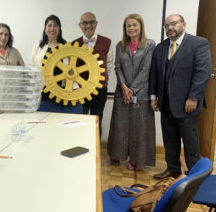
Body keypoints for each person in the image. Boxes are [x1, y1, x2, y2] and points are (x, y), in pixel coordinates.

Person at [150, 14, 211, 179]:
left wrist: (194, 97)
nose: (170, 28)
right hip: (166, 102)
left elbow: (202, 73)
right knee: (170, 139)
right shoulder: (160, 48)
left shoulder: (198, 43)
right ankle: (173, 170)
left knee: (190, 142)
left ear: (183, 24)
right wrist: (154, 97)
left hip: (188, 103)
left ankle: (194, 175)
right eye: (166, 25)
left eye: (173, 24)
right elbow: (154, 74)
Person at [107, 14, 156, 171]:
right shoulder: (120, 45)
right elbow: (117, 67)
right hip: (122, 92)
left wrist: (132, 89)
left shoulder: (149, 45)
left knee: (139, 128)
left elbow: (146, 69)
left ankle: (136, 160)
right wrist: (123, 86)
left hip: (141, 94)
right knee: (119, 125)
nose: (132, 28)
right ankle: (116, 154)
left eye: (135, 25)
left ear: (140, 26)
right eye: (128, 25)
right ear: (125, 28)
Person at [72, 12, 113, 136]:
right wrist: (76, 90)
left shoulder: (107, 42)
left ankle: (96, 153)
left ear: (96, 24)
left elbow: (109, 66)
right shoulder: (74, 44)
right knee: (80, 120)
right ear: (80, 25)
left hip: (100, 90)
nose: (88, 25)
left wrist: (100, 83)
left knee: (97, 120)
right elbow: (72, 68)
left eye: (91, 22)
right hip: (81, 91)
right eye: (85, 23)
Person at [30, 15, 80, 112]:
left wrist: (76, 92)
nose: (52, 28)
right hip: (42, 92)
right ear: (45, 28)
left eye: (56, 25)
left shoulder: (66, 46)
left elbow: (72, 70)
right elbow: (31, 68)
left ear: (59, 29)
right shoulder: (37, 46)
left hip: (62, 92)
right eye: (49, 25)